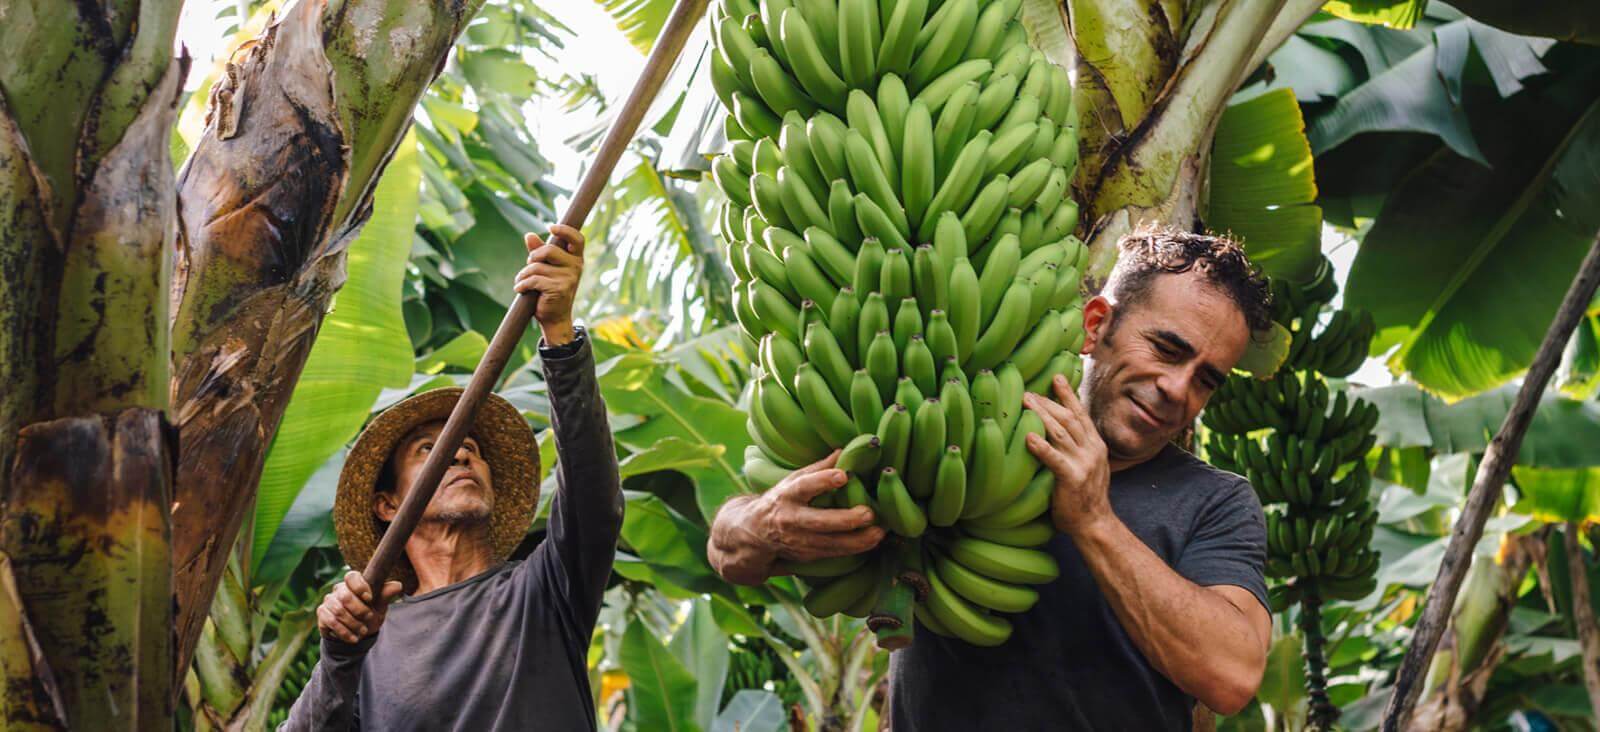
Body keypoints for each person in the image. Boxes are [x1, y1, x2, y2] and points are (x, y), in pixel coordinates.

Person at [708, 228, 1276, 730]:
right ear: (1096, 324)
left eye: (1206, 379)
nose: (1178, 390)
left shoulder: (1215, 500)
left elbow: (1229, 677)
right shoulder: (970, 432)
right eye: (1165, 349)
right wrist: (760, 523)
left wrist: (1094, 521)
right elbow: (729, 549)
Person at [281, 225, 621, 731]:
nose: (462, 452)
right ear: (388, 505)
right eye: (428, 450)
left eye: (473, 448)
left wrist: (560, 334)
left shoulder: (545, 591)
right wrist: (339, 656)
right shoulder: (368, 640)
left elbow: (594, 498)